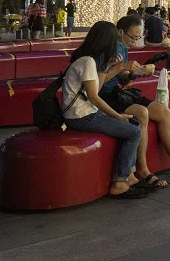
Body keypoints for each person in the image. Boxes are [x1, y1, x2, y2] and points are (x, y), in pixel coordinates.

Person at [99, 15, 170, 186]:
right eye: (133, 37)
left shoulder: (123, 47)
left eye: (139, 37)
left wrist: (137, 73)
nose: (135, 42)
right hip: (106, 96)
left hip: (118, 92)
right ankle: (143, 169)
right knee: (142, 113)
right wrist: (122, 67)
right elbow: (99, 82)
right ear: (120, 32)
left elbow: (123, 79)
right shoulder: (107, 49)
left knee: (162, 111)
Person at [60, 21, 147, 199]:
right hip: (81, 116)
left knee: (132, 126)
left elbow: (96, 88)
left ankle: (128, 176)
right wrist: (117, 115)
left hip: (81, 113)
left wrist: (109, 66)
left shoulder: (87, 59)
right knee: (134, 132)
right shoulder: (88, 62)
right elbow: (94, 96)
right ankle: (120, 182)